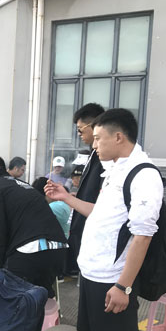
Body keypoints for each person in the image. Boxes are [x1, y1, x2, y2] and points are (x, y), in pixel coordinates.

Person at [45, 108, 163, 331]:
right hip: (94, 273)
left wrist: (123, 287)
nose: (93, 144)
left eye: (98, 138)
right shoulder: (116, 169)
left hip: (113, 278)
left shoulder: (143, 175)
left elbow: (143, 236)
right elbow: (101, 214)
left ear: (118, 137)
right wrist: (66, 197)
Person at [0, 155, 67, 298]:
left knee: (13, 299)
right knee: (39, 298)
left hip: (31, 250)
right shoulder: (21, 184)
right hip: (58, 247)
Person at [65, 102, 105, 276]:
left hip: (96, 230)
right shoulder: (93, 154)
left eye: (81, 130)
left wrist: (67, 198)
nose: (79, 135)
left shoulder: (106, 157)